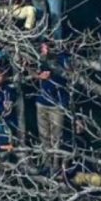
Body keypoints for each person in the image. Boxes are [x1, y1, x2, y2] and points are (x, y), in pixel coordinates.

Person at [34, 42, 70, 172]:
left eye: (46, 47)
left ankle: (56, 165)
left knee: (56, 136)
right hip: (42, 102)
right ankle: (46, 163)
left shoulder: (62, 59)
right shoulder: (41, 59)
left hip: (57, 104)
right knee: (44, 135)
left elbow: (66, 74)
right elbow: (34, 71)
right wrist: (38, 76)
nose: (45, 49)